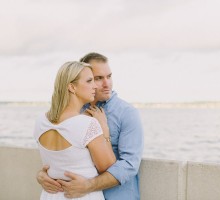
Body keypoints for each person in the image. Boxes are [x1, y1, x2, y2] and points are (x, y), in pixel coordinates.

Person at [37, 53, 144, 200]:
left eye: (109, 76)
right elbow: (67, 157)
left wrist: (88, 186)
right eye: (97, 78)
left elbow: (130, 165)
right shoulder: (75, 111)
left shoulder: (127, 113)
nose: (106, 84)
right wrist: (44, 175)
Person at [34, 61, 117, 199]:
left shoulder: (40, 121)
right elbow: (108, 168)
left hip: (51, 196)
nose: (95, 86)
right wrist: (104, 130)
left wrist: (40, 175)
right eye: (89, 81)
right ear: (72, 87)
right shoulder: (88, 124)